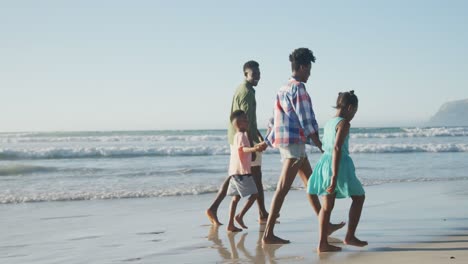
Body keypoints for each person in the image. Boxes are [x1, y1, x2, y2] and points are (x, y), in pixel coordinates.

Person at [263, 48, 344, 244]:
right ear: (302, 67)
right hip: (294, 144)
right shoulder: (298, 88)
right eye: (308, 69)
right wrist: (321, 145)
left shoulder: (282, 88)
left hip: (287, 142)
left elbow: (273, 119)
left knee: (311, 185)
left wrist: (267, 140)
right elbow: (306, 120)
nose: (309, 73)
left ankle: (325, 224)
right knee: (282, 189)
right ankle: (268, 234)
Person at [206, 61, 268, 226]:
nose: (257, 76)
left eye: (258, 73)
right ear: (246, 75)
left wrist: (259, 136)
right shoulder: (247, 93)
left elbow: (249, 120)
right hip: (244, 138)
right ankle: (261, 213)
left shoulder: (241, 89)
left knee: (237, 174)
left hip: (237, 137)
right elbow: (246, 120)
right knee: (252, 175)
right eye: (254, 74)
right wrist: (252, 147)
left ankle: (261, 212)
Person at [307, 90, 367, 252]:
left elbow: (328, 146)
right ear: (349, 107)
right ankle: (350, 236)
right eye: (354, 111)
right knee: (359, 197)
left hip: (325, 162)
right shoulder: (344, 123)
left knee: (327, 205)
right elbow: (337, 147)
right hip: (339, 165)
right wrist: (334, 176)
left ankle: (322, 243)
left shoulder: (329, 122)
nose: (354, 114)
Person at [226, 110, 262, 232]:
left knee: (236, 198)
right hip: (242, 173)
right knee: (255, 194)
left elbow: (245, 152)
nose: (247, 122)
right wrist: (255, 148)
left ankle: (230, 224)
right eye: (244, 120)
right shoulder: (241, 135)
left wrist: (254, 147)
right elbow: (243, 149)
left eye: (247, 119)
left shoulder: (239, 135)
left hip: (234, 171)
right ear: (237, 123)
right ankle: (240, 216)